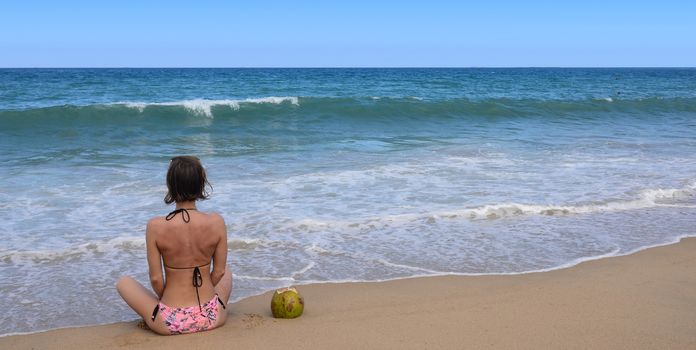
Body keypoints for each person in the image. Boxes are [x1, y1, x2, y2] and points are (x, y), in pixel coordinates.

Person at [116, 156, 232, 335]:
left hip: (170, 321)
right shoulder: (217, 222)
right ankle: (208, 303)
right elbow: (219, 272)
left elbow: (156, 279)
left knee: (123, 283)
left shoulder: (156, 226)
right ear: (201, 184)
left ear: (171, 185)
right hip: (212, 317)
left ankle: (171, 308)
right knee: (227, 271)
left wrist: (167, 298)